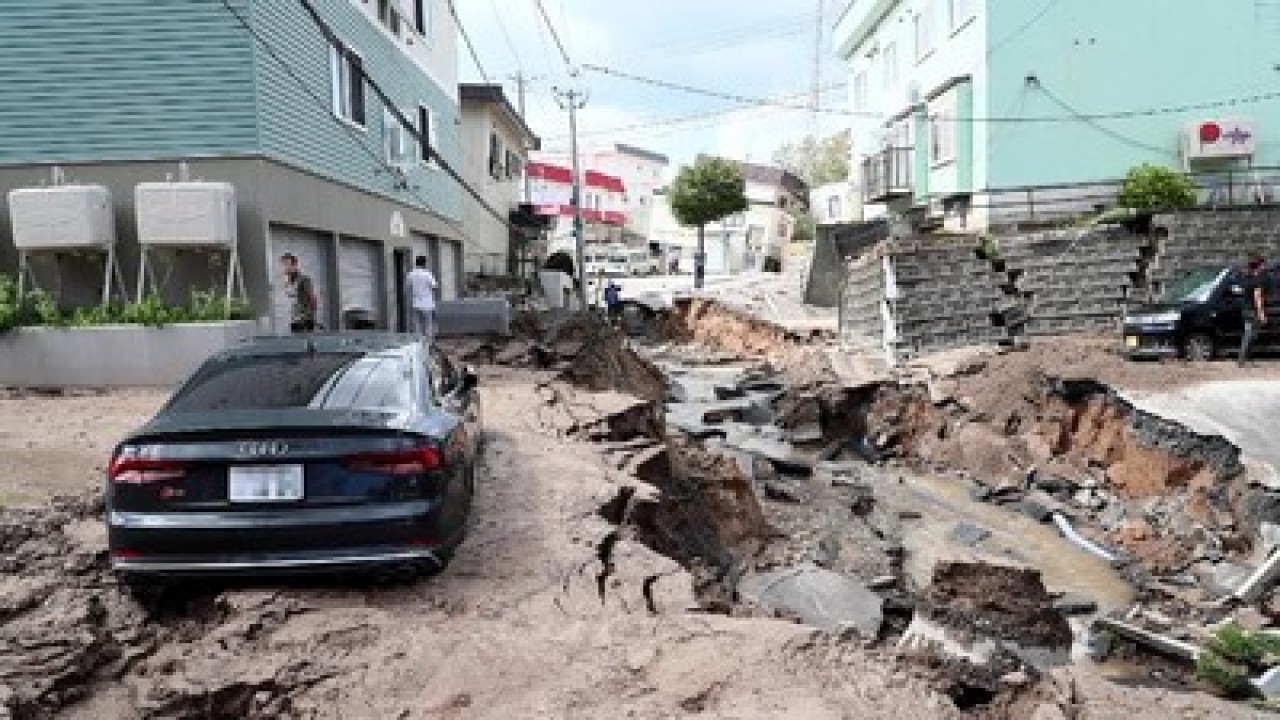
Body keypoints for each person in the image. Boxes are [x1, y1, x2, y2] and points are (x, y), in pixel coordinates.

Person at [1239, 254, 1268, 367]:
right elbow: (1258, 297)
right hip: (1252, 311)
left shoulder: (1246, 278)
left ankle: (1246, 359)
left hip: (1245, 309)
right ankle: (1243, 360)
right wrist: (1261, 314)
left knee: (1250, 335)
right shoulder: (1257, 280)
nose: (1264, 267)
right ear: (1259, 266)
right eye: (1262, 265)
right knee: (1250, 335)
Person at [280, 253, 317, 334]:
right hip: (293, 318)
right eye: (283, 264)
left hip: (304, 319)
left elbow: (312, 297)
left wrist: (311, 316)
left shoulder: (304, 280)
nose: (285, 267)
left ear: (294, 265)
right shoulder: (286, 281)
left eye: (287, 264)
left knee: (307, 343)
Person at [406, 255, 439, 344]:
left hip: (416, 303)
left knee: (417, 325)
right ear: (424, 263)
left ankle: (419, 344)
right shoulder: (427, 274)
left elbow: (408, 286)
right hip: (427, 304)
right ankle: (428, 344)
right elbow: (435, 286)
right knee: (428, 324)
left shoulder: (411, 274)